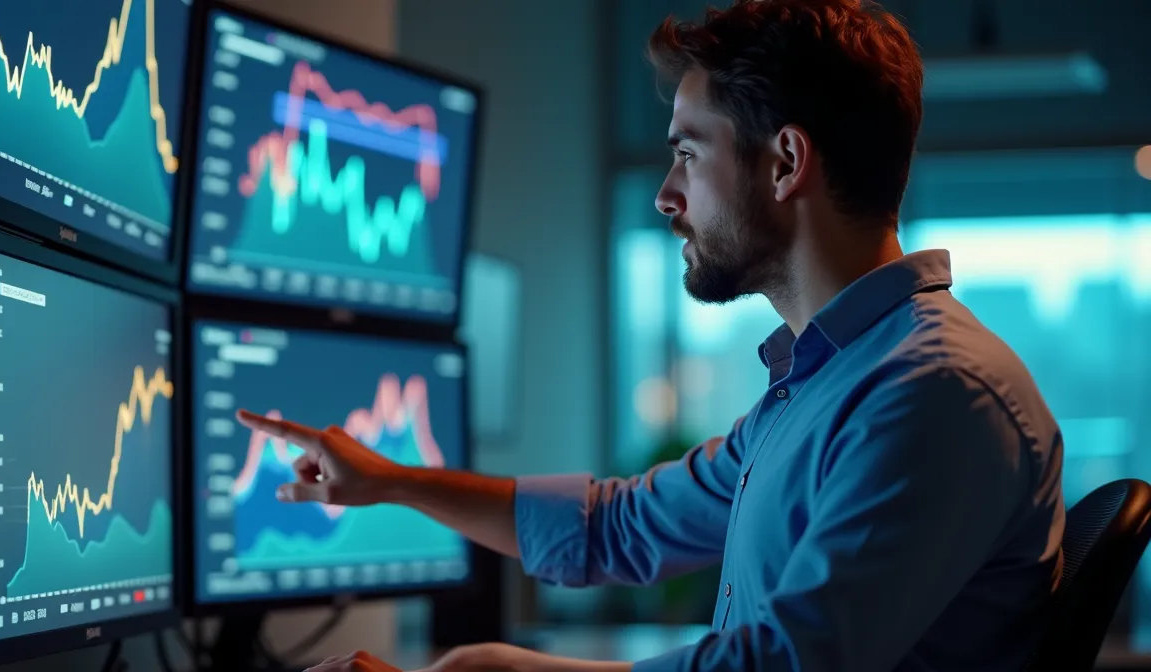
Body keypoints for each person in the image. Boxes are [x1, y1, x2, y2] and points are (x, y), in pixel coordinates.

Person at [236, 0, 1066, 670]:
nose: (667, 196)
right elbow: (616, 528)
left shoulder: (931, 393)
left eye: (687, 154)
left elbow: (783, 668)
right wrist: (395, 483)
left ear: (784, 164)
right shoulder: (826, 380)